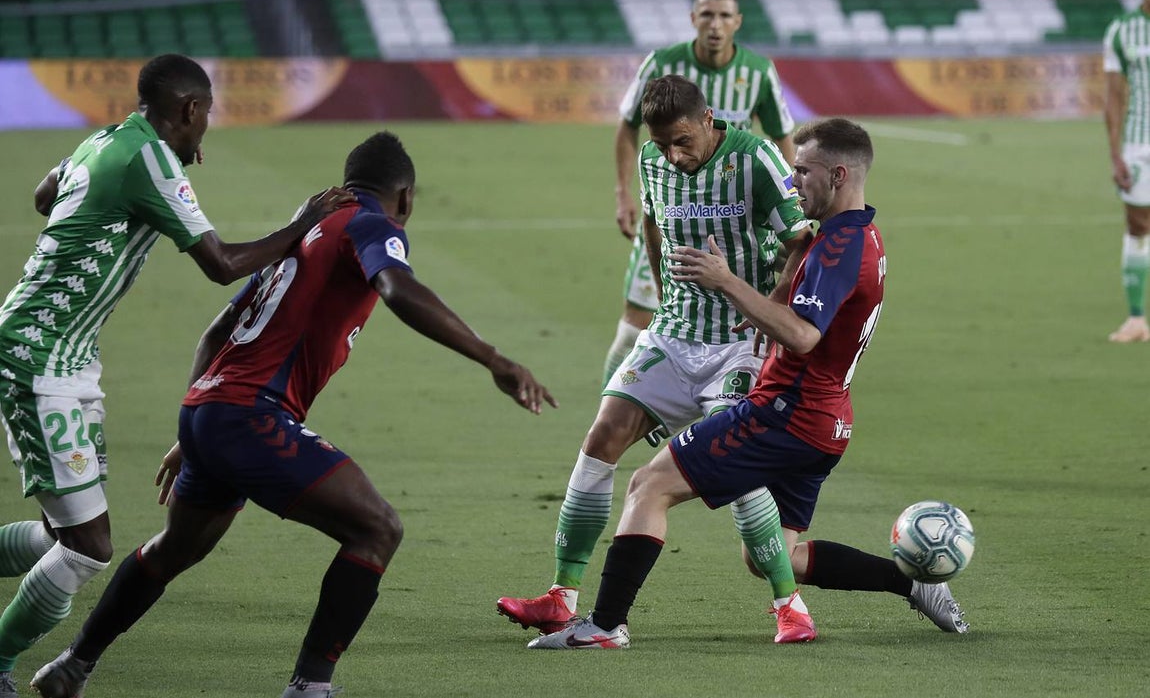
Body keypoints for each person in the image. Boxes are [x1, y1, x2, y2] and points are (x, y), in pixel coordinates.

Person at [30, 131, 556, 698]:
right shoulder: (371, 225)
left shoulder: (307, 232)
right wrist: (492, 357)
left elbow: (216, 332)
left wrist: (198, 418)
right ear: (404, 197)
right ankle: (309, 688)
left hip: (212, 412)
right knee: (376, 529)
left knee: (174, 548)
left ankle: (71, 666)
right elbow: (397, 288)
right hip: (251, 415)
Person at [528, 118, 968, 650]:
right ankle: (911, 584)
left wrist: (728, 282)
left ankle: (603, 625)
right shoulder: (859, 234)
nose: (792, 182)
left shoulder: (839, 246)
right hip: (828, 424)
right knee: (770, 557)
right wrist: (767, 307)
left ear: (839, 174)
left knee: (649, 485)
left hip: (784, 414)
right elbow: (808, 307)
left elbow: (805, 336)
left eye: (802, 172)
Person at [0, 53, 349, 698]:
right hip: (36, 354)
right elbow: (221, 264)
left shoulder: (107, 138)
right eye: (206, 116)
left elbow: (45, 194)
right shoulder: (151, 160)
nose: (206, 130)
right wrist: (302, 226)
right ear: (189, 110)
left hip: (69, 357)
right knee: (86, 547)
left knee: (60, 533)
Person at [496, 75, 812, 635]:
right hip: (673, 332)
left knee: (733, 466)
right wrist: (666, 290)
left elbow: (799, 240)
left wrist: (772, 306)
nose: (673, 154)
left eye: (683, 141)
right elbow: (650, 221)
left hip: (741, 342)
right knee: (601, 436)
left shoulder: (756, 157)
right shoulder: (652, 160)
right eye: (664, 143)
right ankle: (561, 596)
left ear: (710, 119)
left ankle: (790, 607)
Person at [604, 0, 796, 386]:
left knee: (740, 322)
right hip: (672, 212)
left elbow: (782, 139)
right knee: (634, 327)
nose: (715, 24)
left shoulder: (758, 72)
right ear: (693, 18)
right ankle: (620, 401)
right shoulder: (661, 64)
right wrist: (624, 194)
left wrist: (790, 202)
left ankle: (717, 406)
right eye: (707, 14)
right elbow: (627, 126)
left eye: (724, 15)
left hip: (735, 217)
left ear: (738, 21)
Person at [1104, 0, 1150, 342]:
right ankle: (1137, 319)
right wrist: (1115, 153)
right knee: (1138, 226)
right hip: (1140, 144)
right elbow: (1114, 97)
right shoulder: (1122, 29)